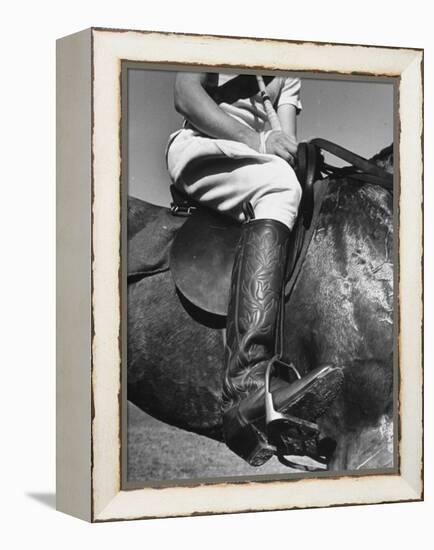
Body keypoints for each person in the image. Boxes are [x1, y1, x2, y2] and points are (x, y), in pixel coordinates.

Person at [166, 72, 341, 466]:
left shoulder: (289, 71)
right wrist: (260, 142)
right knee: (281, 187)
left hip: (256, 162)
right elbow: (185, 94)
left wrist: (289, 152)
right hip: (203, 149)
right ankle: (246, 382)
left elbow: (285, 139)